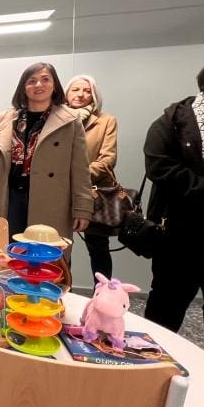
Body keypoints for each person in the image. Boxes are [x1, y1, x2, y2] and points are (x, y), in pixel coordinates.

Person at [143, 55, 204, 357]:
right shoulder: (175, 119)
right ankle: (149, 366)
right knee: (166, 308)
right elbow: (158, 166)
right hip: (181, 231)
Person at [0, 62, 92, 251]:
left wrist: (82, 207)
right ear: (23, 86)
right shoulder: (5, 118)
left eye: (45, 79)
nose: (38, 85)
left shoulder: (70, 120)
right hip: (11, 197)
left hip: (52, 198)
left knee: (47, 257)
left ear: (55, 85)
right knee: (11, 254)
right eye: (32, 81)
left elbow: (80, 168)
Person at [65, 74, 118, 280]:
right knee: (60, 247)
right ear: (66, 94)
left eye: (87, 91)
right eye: (76, 89)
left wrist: (79, 176)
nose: (81, 94)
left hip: (92, 191)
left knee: (98, 248)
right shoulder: (54, 119)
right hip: (60, 190)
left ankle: (103, 293)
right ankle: (62, 292)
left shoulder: (106, 121)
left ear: (94, 95)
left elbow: (108, 159)